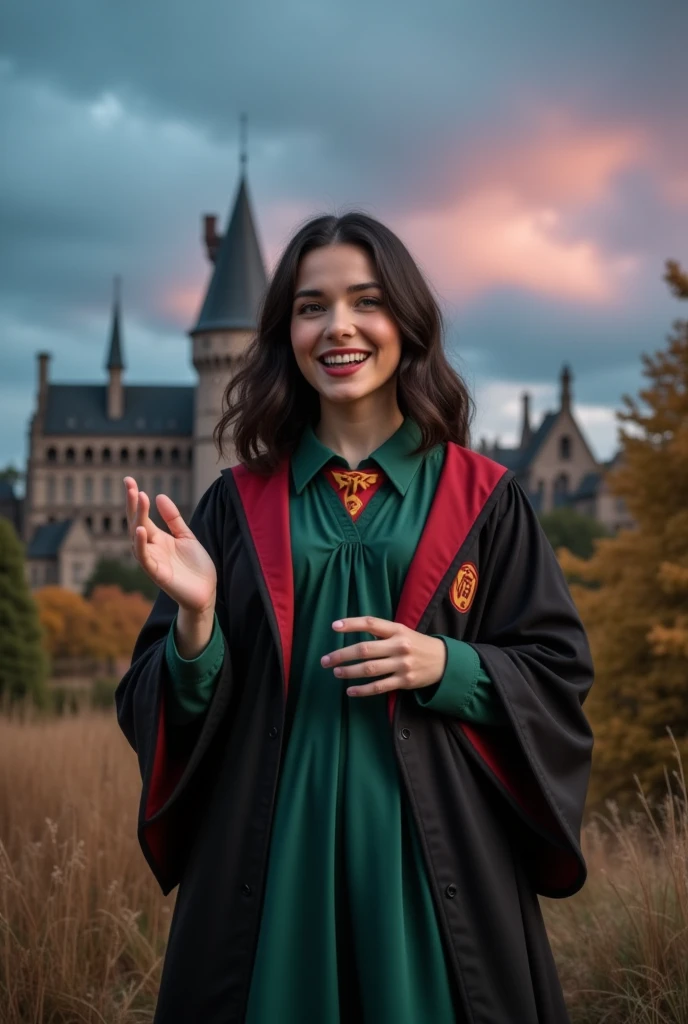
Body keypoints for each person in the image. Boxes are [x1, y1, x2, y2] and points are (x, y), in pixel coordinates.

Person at [116, 211, 595, 1024]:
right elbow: (158, 709)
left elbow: (558, 675)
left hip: (430, 863)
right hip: (272, 868)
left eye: (365, 301)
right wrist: (196, 624)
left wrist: (452, 667)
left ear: (406, 322)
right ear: (284, 332)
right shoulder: (231, 508)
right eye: (311, 306)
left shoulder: (486, 500)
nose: (338, 327)